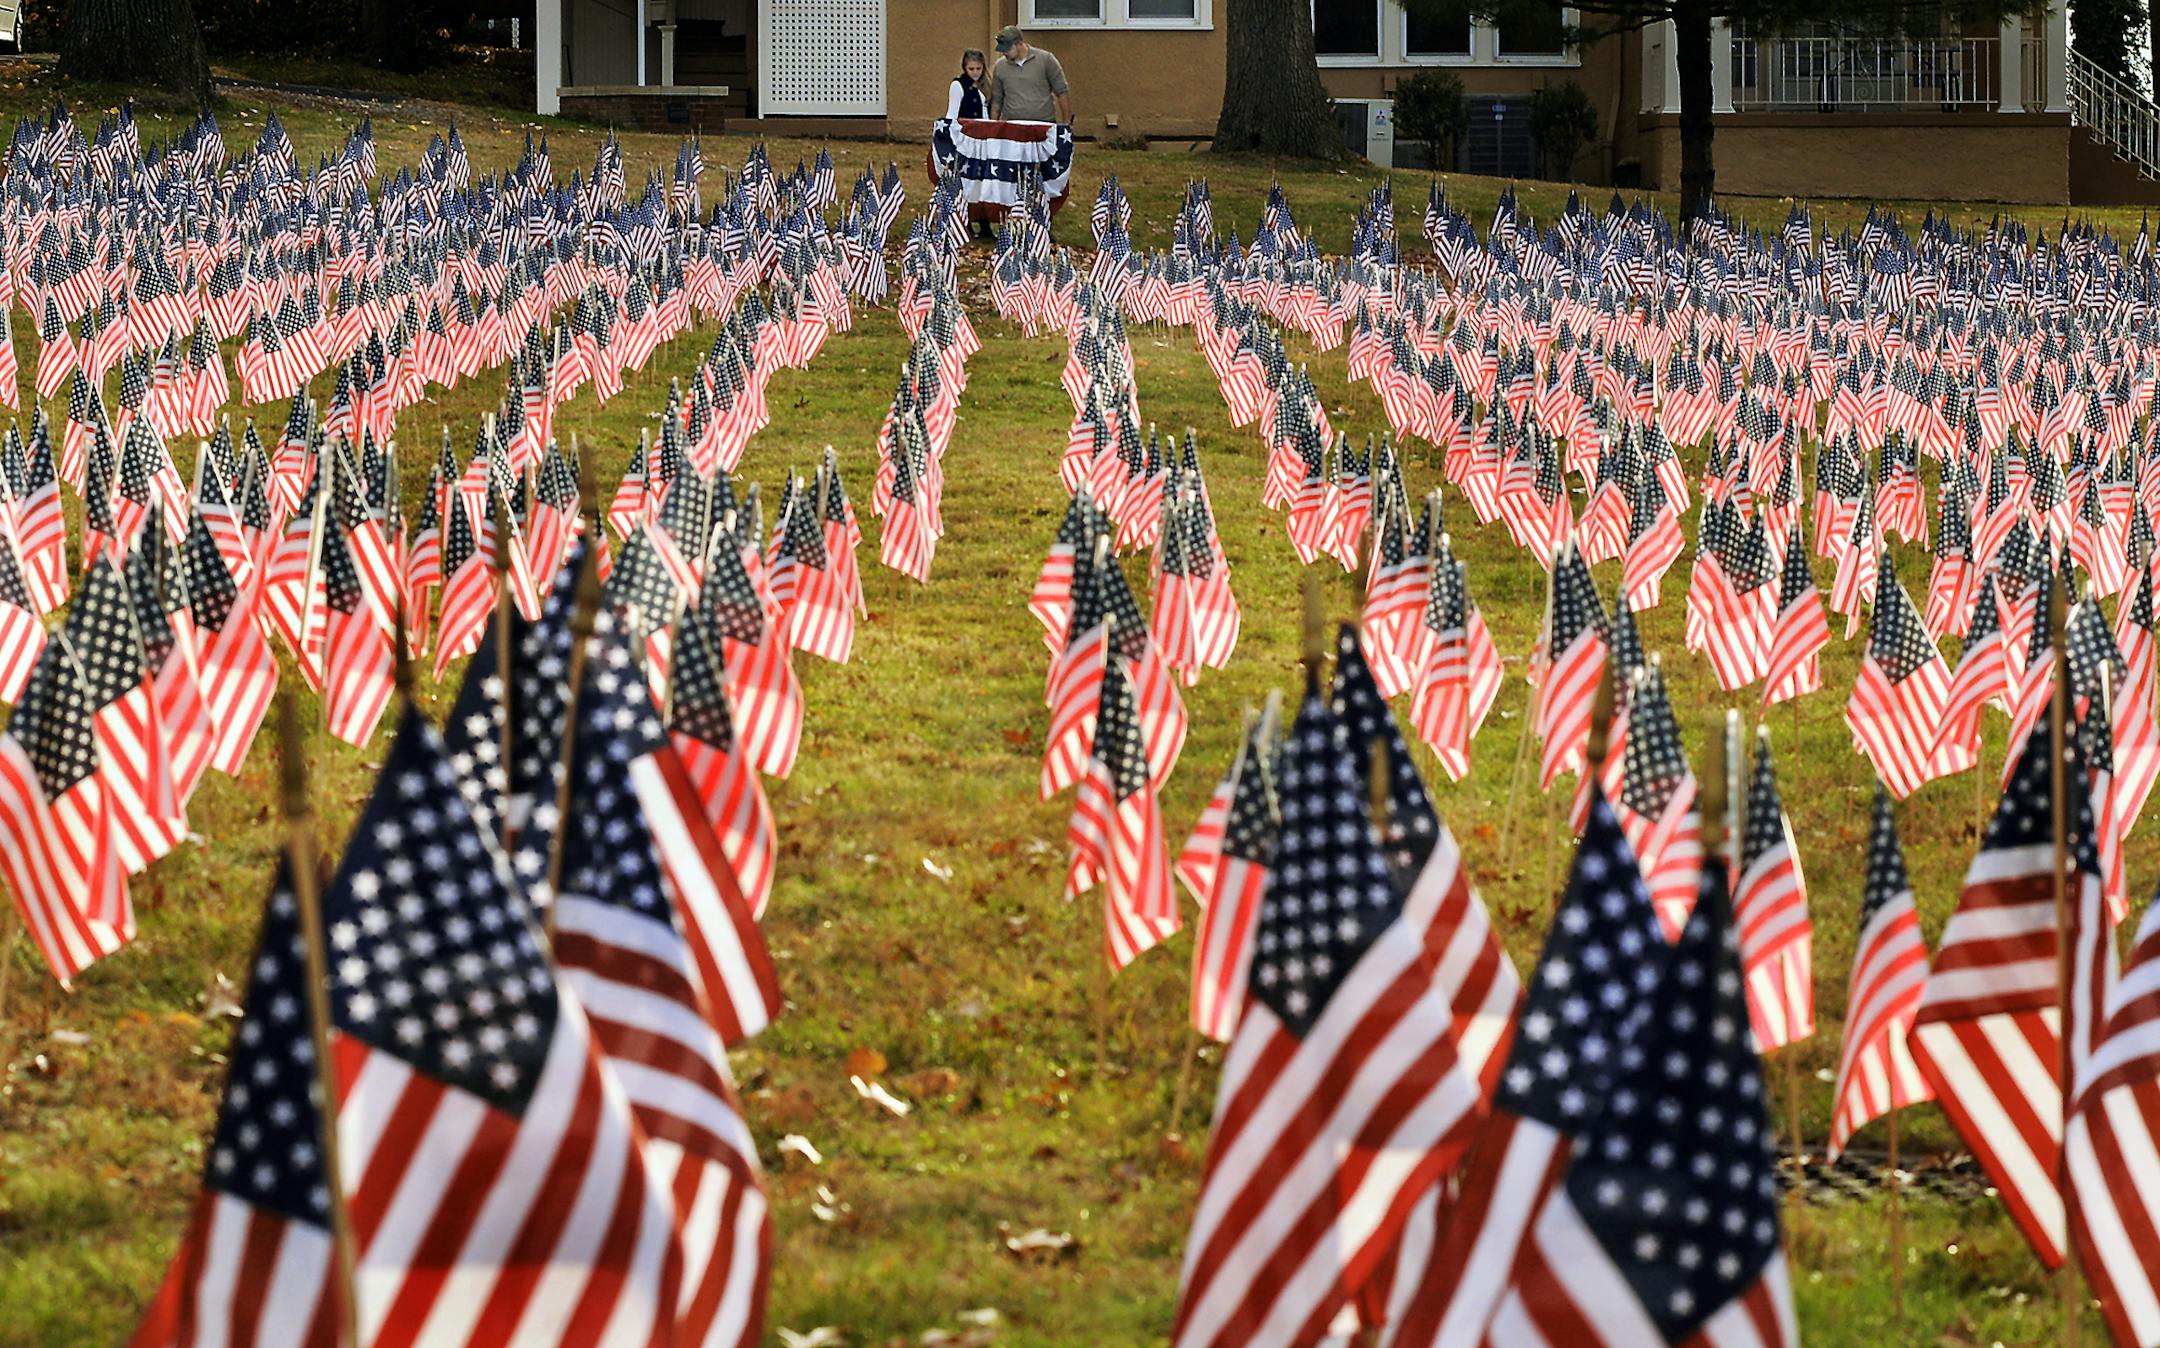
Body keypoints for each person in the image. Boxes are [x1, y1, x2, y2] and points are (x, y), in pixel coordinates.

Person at [987, 25, 1070, 126]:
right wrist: (993, 126)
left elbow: (1062, 91)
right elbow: (997, 100)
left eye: (1008, 49)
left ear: (1020, 44)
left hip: (1043, 123)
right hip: (1012, 125)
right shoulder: (1000, 66)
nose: (1004, 53)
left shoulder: (1045, 59)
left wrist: (1066, 123)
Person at [946, 49, 988, 119]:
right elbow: (952, 114)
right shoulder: (958, 85)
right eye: (971, 69)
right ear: (965, 68)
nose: (975, 72)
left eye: (978, 68)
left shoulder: (984, 86)